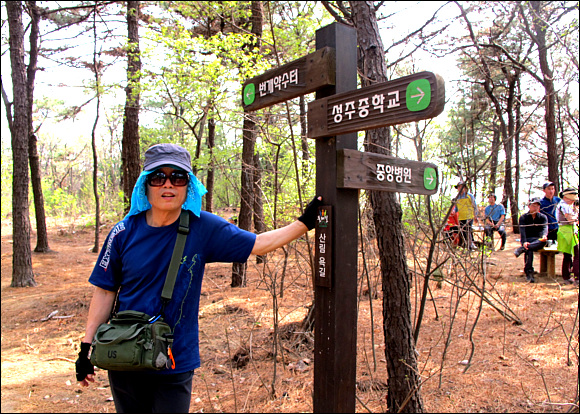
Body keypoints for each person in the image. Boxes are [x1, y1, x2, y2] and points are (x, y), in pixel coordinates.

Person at [75, 143, 323, 413]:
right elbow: (104, 291)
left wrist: (305, 222)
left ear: (188, 186)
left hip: (174, 360)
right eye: (158, 177)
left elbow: (259, 244)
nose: (168, 185)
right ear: (145, 185)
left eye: (177, 177)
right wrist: (86, 348)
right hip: (124, 355)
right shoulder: (122, 232)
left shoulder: (203, 227)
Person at [514, 197, 548, 283]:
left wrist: (544, 235)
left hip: (538, 240)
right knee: (529, 249)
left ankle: (522, 249)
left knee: (536, 244)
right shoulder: (523, 218)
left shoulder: (543, 217)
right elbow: (522, 231)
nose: (536, 208)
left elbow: (545, 228)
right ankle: (529, 272)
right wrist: (524, 242)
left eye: (537, 206)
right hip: (528, 239)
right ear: (529, 206)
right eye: (534, 205)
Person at [556, 188, 579, 286]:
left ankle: (567, 276)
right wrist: (576, 216)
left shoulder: (567, 206)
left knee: (568, 255)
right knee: (576, 255)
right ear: (565, 197)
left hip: (569, 231)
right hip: (567, 232)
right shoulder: (564, 206)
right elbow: (570, 219)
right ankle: (577, 277)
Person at [454, 181, 478, 250]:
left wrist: (475, 215)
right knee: (463, 232)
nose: (460, 188)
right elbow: (456, 209)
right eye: (459, 187)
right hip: (461, 217)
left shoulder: (469, 196)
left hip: (469, 217)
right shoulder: (457, 198)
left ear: (465, 188)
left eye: (461, 187)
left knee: (468, 230)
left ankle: (470, 246)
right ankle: (467, 246)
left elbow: (474, 206)